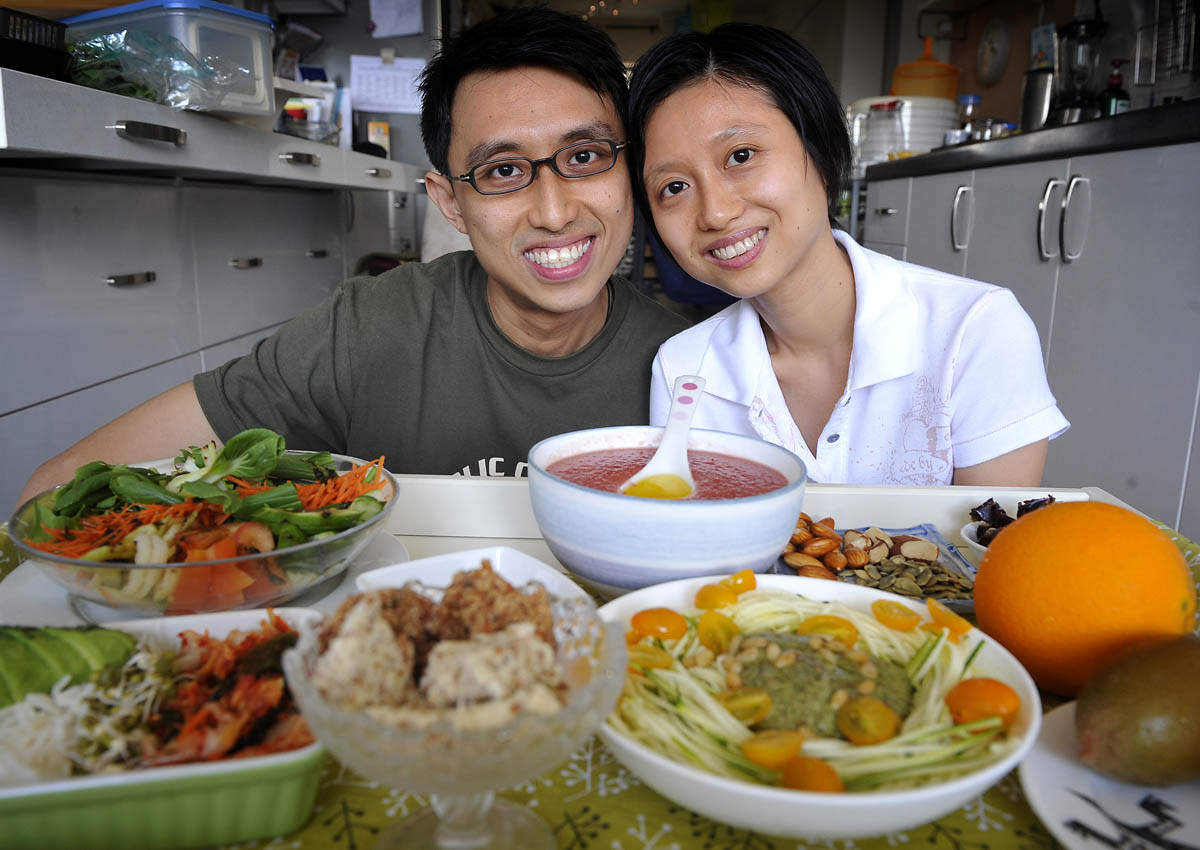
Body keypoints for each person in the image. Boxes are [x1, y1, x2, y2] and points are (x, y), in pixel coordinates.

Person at [19, 8, 689, 502]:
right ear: (451, 203)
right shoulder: (368, 332)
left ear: (629, 169)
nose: (554, 212)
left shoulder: (693, 365)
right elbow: (59, 488)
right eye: (503, 171)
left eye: (584, 156)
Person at [627, 23, 1068, 487]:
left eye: (741, 156)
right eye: (674, 186)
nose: (715, 212)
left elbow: (996, 532)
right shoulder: (684, 369)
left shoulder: (973, 332)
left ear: (820, 152)